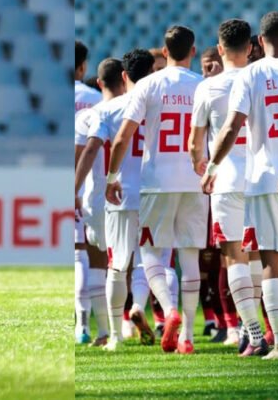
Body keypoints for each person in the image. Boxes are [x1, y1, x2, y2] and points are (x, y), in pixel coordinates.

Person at [204, 11, 278, 360]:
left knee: (271, 259)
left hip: (265, 176)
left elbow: (232, 127)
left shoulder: (251, 74)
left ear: (259, 42)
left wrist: (212, 166)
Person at [107, 26, 204, 354]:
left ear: (164, 52)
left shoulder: (148, 84)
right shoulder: (202, 85)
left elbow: (123, 137)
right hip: (193, 180)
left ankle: (168, 308)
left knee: (150, 252)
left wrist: (112, 177)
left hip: (157, 182)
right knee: (189, 257)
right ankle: (188, 337)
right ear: (193, 51)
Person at [189, 20, 260, 352]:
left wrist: (202, 167)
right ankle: (262, 329)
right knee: (259, 254)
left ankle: (252, 331)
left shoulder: (208, 87)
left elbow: (195, 143)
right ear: (250, 47)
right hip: (261, 178)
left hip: (227, 179)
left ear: (220, 49)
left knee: (234, 256)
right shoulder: (260, 77)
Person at [74, 58, 125, 347]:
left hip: (95, 197)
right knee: (130, 263)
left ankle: (104, 331)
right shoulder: (136, 109)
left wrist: (73, 189)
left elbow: (82, 153)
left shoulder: (90, 115)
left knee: (96, 261)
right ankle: (131, 320)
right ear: (124, 79)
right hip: (129, 193)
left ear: (99, 82)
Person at [74, 40, 103, 343]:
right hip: (87, 182)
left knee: (74, 252)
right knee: (87, 252)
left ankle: (80, 322)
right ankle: (86, 325)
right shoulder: (95, 99)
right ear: (82, 67)